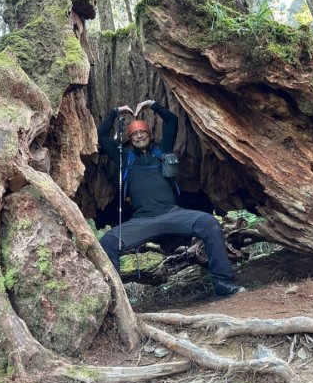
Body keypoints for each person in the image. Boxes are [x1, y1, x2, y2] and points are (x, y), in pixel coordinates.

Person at [97, 99, 244, 297]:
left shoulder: (161, 151)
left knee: (209, 224)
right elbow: (103, 136)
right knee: (108, 242)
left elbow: (172, 121)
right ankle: (117, 299)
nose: (139, 136)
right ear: (130, 139)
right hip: (143, 220)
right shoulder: (125, 158)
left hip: (172, 214)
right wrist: (116, 112)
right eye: (134, 134)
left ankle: (222, 282)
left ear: (149, 134)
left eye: (142, 132)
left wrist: (152, 105)